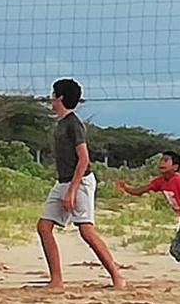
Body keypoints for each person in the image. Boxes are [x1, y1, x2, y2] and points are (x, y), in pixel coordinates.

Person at [37, 79, 124, 290]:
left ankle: (116, 276)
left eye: (53, 95)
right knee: (44, 226)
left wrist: (73, 191)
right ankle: (56, 280)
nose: (50, 99)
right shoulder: (62, 123)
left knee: (86, 230)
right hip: (63, 182)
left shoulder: (74, 123)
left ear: (60, 98)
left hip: (81, 181)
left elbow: (84, 159)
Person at [116, 151, 180, 281]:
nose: (161, 163)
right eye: (161, 160)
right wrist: (125, 188)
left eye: (166, 160)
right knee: (176, 249)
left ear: (175, 167)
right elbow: (140, 191)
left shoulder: (179, 180)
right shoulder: (160, 181)